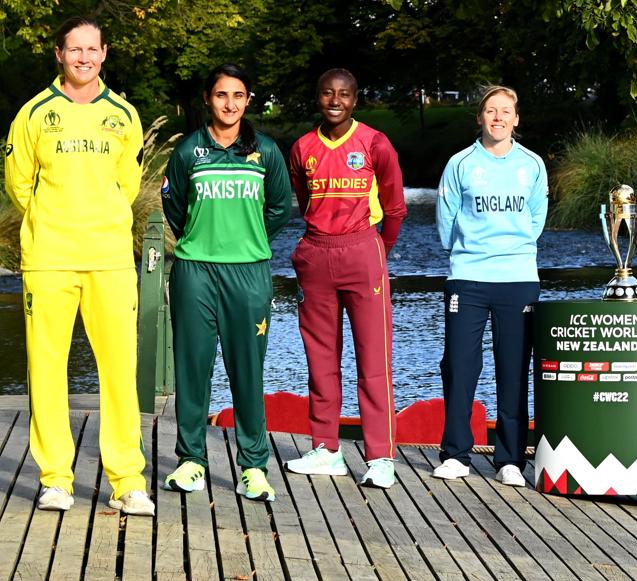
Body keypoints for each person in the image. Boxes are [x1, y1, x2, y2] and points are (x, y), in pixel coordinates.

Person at [3, 17, 153, 516]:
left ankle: (128, 480)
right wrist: (53, 221)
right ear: (59, 54)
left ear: (105, 54)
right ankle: (55, 478)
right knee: (47, 368)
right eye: (75, 49)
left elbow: (127, 185)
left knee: (118, 370)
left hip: (110, 258)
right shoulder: (34, 113)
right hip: (49, 258)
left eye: (92, 49)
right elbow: (19, 184)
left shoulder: (124, 115)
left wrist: (101, 215)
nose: (84, 58)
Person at [160, 64, 292, 501]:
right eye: (221, 95)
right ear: (207, 100)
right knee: (193, 368)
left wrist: (246, 241)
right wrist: (204, 241)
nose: (230, 103)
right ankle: (191, 461)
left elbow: (278, 210)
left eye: (238, 95)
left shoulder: (266, 152)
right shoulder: (188, 152)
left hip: (249, 272)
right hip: (196, 270)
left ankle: (253, 466)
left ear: (248, 100)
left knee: (247, 371)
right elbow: (175, 207)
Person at [283, 69, 405, 488]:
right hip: (317, 254)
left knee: (373, 360)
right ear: (318, 97)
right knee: (321, 358)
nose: (335, 100)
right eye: (327, 93)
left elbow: (395, 209)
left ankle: (380, 456)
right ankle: (326, 449)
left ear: (356, 99)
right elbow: (304, 200)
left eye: (344, 95)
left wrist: (374, 251)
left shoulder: (374, 143)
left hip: (363, 251)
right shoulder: (302, 147)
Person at [431, 85, 547, 485]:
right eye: (490, 111)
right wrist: (467, 252)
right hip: (468, 277)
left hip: (517, 279)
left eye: (506, 111)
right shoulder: (460, 163)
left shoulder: (532, 164)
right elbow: (445, 221)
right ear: (479, 118)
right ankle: (457, 454)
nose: (498, 117)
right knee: (461, 366)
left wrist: (513, 251)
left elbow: (535, 220)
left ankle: (510, 458)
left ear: (516, 119)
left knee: (513, 369)